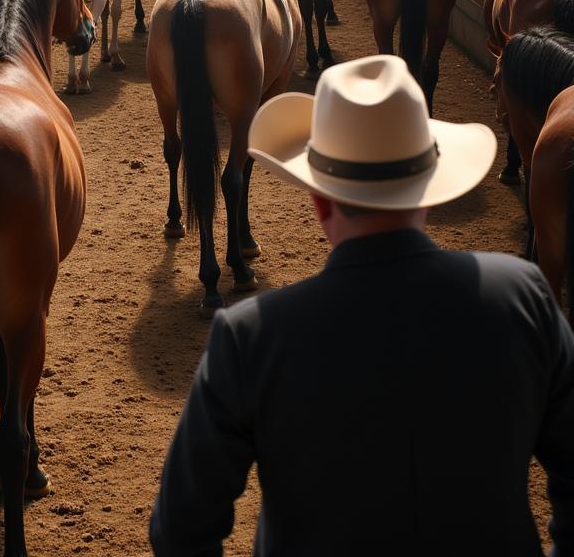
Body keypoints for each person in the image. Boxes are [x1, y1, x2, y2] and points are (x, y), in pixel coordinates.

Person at [151, 54, 574, 557]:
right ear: (430, 187)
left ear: (319, 198)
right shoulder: (524, 297)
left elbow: (181, 529)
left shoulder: (251, 337)